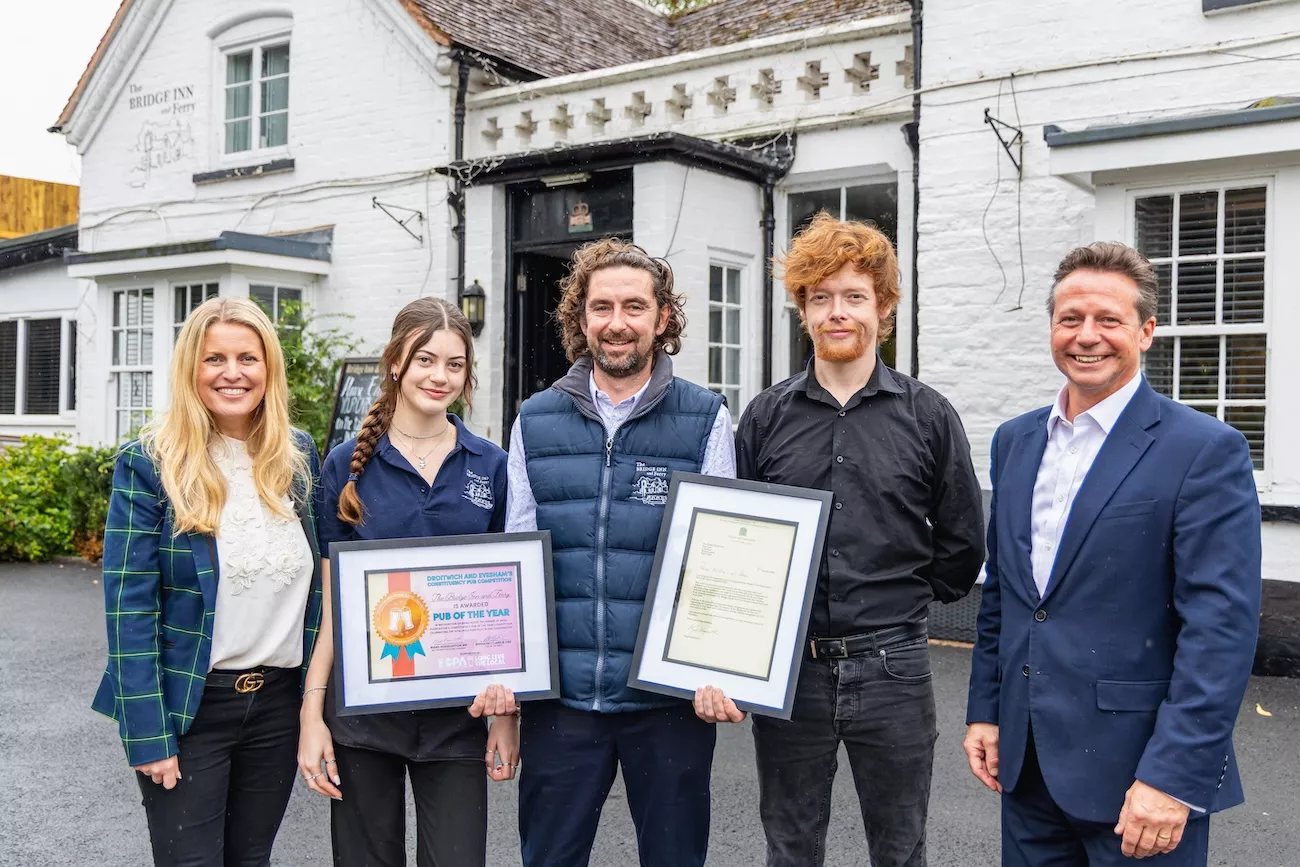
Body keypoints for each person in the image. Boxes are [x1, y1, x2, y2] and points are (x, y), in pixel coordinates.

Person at [963, 242, 1262, 866]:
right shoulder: (1015, 440)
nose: (1086, 337)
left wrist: (1173, 778)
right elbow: (1008, 596)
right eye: (1070, 319)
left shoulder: (1205, 450)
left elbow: (1220, 631)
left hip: (1141, 783)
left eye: (1109, 320)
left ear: (1146, 331)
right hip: (1028, 769)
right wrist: (987, 712)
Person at [724, 213, 985, 867]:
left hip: (894, 668)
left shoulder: (928, 415)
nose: (837, 312)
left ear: (884, 305)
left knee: (900, 851)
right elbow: (739, 543)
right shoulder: (765, 417)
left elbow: (963, 542)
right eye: (820, 297)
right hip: (790, 673)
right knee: (790, 848)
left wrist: (899, 598)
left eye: (853, 296)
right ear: (803, 310)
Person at [506, 238, 737, 867]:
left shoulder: (706, 417)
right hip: (562, 702)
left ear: (662, 318)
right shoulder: (534, 419)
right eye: (601, 307)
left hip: (667, 701)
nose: (617, 323)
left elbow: (716, 559)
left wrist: (718, 666)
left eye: (634, 307)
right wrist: (508, 677)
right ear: (580, 318)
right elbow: (515, 556)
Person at [94, 297, 322, 867]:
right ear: (190, 369)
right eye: (214, 358)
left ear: (269, 367)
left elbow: (319, 591)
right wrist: (148, 734)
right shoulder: (150, 463)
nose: (232, 373)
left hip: (275, 705)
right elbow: (130, 608)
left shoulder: (297, 458)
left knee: (251, 860)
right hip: (189, 706)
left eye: (248, 357)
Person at [299, 297, 517, 867]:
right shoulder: (346, 465)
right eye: (425, 359)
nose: (439, 376)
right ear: (396, 362)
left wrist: (507, 715)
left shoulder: (491, 465)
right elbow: (332, 607)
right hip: (364, 715)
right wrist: (312, 715)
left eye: (455, 364)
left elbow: (505, 606)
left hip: (458, 716)